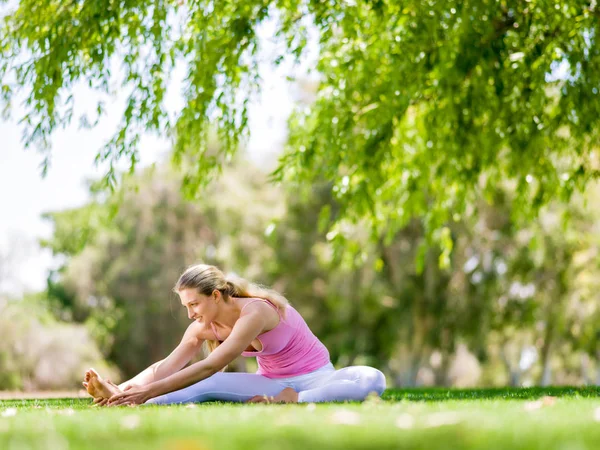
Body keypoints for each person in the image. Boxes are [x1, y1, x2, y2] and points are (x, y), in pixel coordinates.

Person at [83, 264, 386, 406]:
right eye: (185, 306)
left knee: (373, 379)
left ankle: (293, 400)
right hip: (269, 383)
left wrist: (149, 391)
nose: (190, 314)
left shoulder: (255, 312)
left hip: (317, 377)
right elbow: (165, 367)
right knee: (208, 384)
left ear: (216, 295)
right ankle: (121, 399)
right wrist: (125, 388)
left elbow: (212, 364)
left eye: (194, 304)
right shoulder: (203, 326)